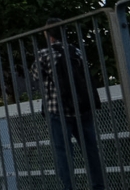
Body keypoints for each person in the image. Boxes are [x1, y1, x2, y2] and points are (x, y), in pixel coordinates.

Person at [38, 19, 105, 190]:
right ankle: (98, 186)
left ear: (48, 34)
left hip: (58, 109)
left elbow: (36, 76)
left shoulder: (45, 54)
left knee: (64, 153)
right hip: (82, 107)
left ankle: (70, 187)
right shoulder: (76, 51)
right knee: (90, 150)